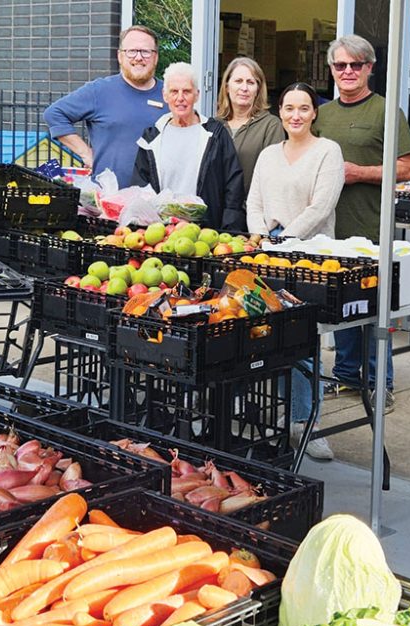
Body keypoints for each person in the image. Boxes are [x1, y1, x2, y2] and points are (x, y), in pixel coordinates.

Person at [314, 34, 410, 413]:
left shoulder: (386, 112)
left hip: (372, 231)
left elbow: (407, 168)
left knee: (374, 310)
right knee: (340, 308)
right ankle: (344, 376)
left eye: (355, 65)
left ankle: (379, 383)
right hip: (329, 232)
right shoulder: (321, 115)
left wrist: (361, 172)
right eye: (340, 65)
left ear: (370, 68)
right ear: (331, 70)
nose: (348, 72)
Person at [247, 83, 344, 460]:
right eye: (289, 108)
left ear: (314, 113)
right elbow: (254, 200)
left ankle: (306, 423)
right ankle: (267, 415)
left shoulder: (327, 151)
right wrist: (260, 236)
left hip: (309, 257)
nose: (296, 115)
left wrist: (284, 237)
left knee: (303, 340)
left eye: (304, 108)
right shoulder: (270, 154)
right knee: (261, 333)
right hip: (267, 254)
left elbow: (322, 206)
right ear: (280, 111)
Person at [42, 26, 168, 187]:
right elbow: (54, 114)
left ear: (155, 57)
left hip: (157, 201)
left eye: (145, 52)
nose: (138, 57)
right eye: (131, 51)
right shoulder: (99, 91)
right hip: (109, 201)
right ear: (120, 56)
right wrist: (86, 154)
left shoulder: (170, 95)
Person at [131, 62, 245, 233]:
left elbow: (233, 185)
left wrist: (229, 231)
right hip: (161, 235)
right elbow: (140, 188)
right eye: (174, 91)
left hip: (206, 234)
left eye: (187, 91)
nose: (180, 98)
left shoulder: (216, 134)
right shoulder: (151, 137)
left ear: (197, 95)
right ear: (165, 95)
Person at [216, 57, 285, 198]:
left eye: (250, 82)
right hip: (216, 213)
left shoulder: (270, 125)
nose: (244, 88)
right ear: (227, 87)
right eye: (238, 81)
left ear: (258, 89)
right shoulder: (214, 125)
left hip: (252, 213)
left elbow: (273, 177)